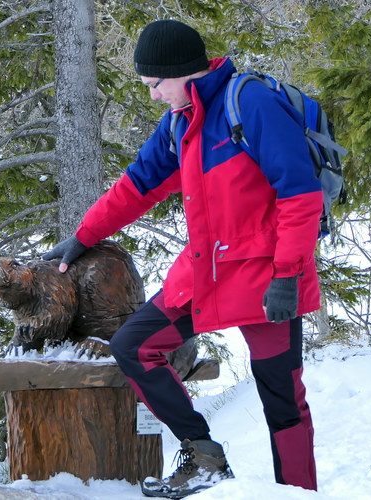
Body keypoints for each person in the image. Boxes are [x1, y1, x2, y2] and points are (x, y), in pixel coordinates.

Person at [42, 19, 320, 498]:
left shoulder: (249, 103)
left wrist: (288, 275)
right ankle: (204, 455)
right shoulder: (179, 121)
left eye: (155, 84)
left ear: (181, 72)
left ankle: (299, 492)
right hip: (204, 276)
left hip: (264, 280)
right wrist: (83, 235)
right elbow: (138, 185)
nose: (152, 95)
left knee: (282, 397)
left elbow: (299, 194)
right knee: (135, 345)